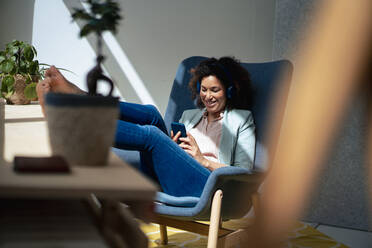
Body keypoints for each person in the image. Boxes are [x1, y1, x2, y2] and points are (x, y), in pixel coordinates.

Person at [37, 56, 256, 198]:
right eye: (204, 89)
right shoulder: (191, 116)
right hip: (176, 175)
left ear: (228, 90)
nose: (207, 96)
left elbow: (244, 172)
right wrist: (171, 149)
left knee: (151, 135)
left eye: (215, 90)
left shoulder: (241, 120)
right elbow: (175, 154)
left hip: (209, 187)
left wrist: (203, 160)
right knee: (151, 113)